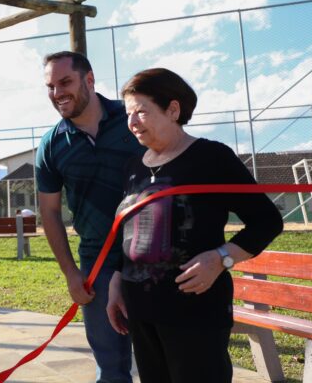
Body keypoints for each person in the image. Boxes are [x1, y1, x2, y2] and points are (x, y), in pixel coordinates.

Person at [106, 68, 283, 383]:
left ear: (173, 110)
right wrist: (118, 280)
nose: (132, 122)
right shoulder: (132, 167)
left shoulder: (211, 158)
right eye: (128, 113)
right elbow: (130, 233)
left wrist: (221, 258)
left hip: (195, 313)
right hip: (141, 311)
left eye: (142, 111)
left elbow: (267, 221)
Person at [35, 51, 144, 383]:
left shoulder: (133, 119)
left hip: (153, 258)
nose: (57, 93)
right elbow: (50, 213)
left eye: (65, 82)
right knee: (111, 368)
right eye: (50, 86)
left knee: (168, 359)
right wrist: (71, 274)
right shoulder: (52, 144)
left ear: (89, 79)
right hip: (97, 264)